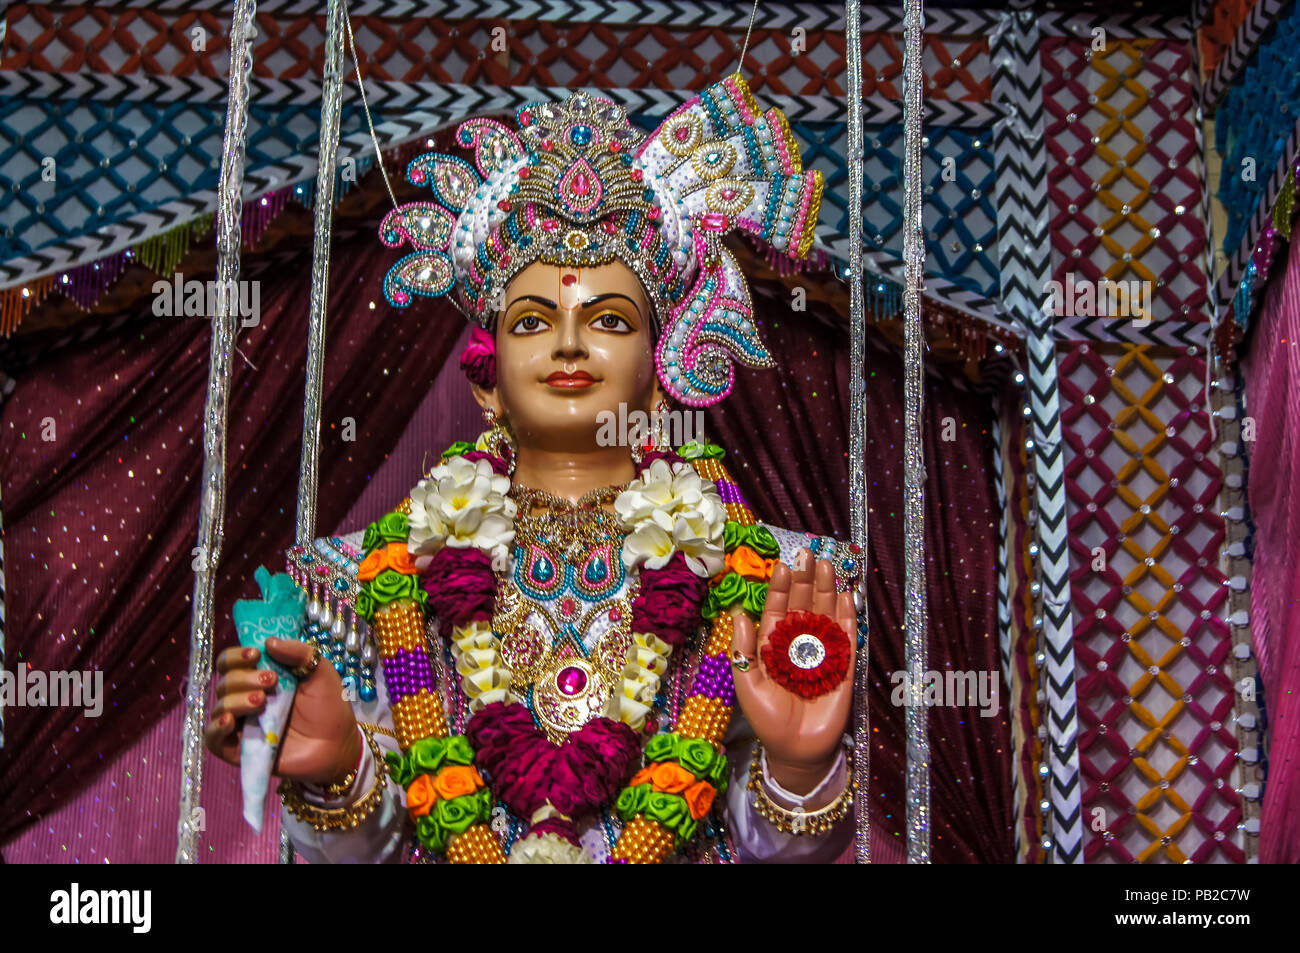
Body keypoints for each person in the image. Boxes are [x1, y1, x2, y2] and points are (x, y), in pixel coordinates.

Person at [205, 74, 866, 863]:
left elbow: (768, 853)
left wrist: (800, 770)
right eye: (532, 320)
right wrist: (338, 773)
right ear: (487, 381)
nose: (568, 344)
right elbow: (366, 853)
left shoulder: (775, 579)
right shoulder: (366, 579)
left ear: (659, 379)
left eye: (610, 319)